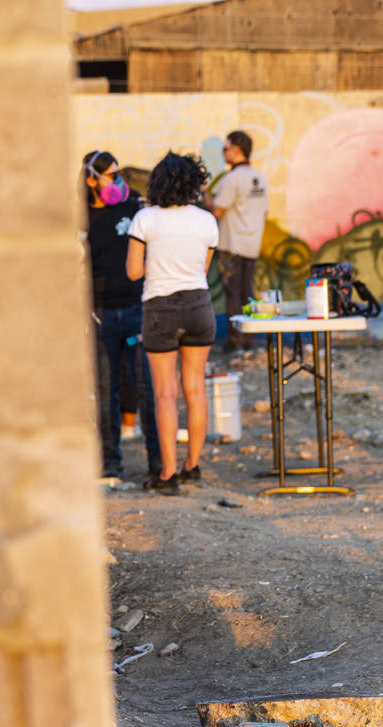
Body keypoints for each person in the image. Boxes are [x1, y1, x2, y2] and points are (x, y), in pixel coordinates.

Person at [127, 153, 219, 495]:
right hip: (199, 305)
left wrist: (159, 261)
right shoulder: (207, 221)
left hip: (159, 308)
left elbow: (134, 271)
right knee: (195, 389)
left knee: (165, 393)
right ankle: (192, 466)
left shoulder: (144, 219)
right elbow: (202, 269)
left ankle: (167, 474)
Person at [82, 150, 161, 481]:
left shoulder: (133, 208)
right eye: (111, 176)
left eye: (118, 174)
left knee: (146, 386)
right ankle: (110, 461)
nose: (119, 182)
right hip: (100, 315)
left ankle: (158, 462)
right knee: (106, 389)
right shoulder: (81, 218)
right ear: (91, 181)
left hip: (136, 309)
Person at [210, 130, 269, 352]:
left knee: (232, 294)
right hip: (251, 245)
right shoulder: (260, 178)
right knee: (247, 292)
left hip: (231, 246)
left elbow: (217, 210)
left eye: (225, 149)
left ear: (236, 151)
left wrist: (206, 194)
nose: (223, 153)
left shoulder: (231, 178)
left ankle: (236, 341)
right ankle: (249, 339)